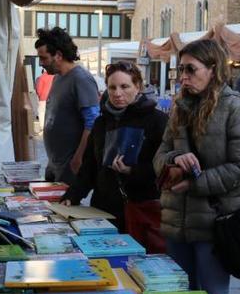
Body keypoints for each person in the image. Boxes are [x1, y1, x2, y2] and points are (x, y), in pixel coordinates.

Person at [153, 39, 240, 294]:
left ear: (213, 69)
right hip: (176, 219)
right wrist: (174, 159)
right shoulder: (180, 106)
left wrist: (196, 182)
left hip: (214, 222)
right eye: (181, 70)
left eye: (191, 69)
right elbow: (160, 154)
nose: (184, 77)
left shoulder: (234, 107)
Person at [61, 62, 168, 249]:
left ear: (138, 87)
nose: (117, 93)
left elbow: (164, 168)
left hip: (139, 209)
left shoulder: (157, 121)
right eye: (112, 87)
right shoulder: (102, 122)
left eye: (124, 86)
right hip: (103, 210)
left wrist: (132, 171)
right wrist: (73, 195)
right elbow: (90, 167)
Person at [36, 27, 100, 183]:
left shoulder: (81, 79)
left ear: (58, 55)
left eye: (43, 58)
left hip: (70, 166)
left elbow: (92, 122)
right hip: (54, 164)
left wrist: (78, 158)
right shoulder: (58, 77)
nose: (41, 63)